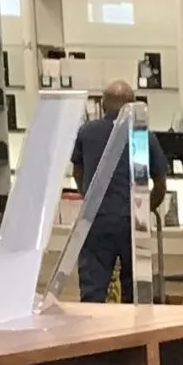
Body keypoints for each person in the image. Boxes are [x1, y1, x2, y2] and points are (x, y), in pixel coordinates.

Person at [70, 81, 138, 302]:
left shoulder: (86, 132)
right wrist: (144, 210)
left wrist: (88, 196)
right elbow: (159, 180)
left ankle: (94, 332)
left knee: (93, 286)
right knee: (135, 286)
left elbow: (77, 170)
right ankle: (135, 332)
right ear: (134, 105)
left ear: (101, 103)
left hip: (95, 218)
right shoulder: (139, 134)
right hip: (131, 220)